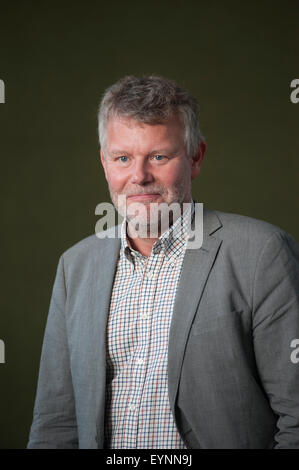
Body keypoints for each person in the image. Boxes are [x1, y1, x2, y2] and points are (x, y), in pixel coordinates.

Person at [27, 75, 299, 449]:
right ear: (104, 163)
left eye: (159, 156)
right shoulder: (75, 267)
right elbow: (55, 423)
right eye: (123, 158)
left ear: (196, 157)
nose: (139, 176)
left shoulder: (261, 253)